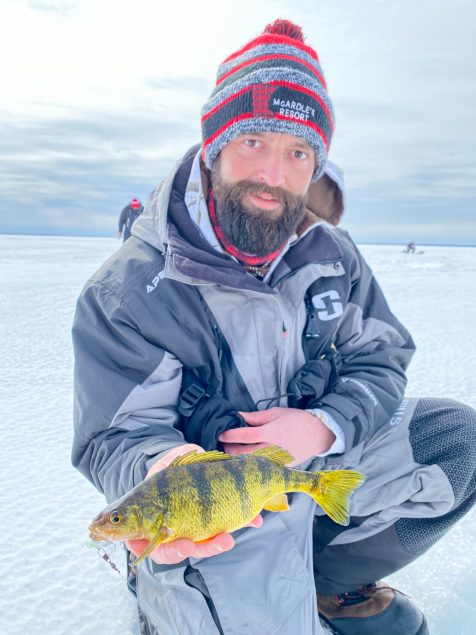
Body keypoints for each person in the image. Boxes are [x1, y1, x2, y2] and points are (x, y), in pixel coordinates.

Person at [72, 19, 476, 635]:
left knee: (458, 443)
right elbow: (116, 435)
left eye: (298, 152)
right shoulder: (127, 292)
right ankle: (166, 595)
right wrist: (163, 467)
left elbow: (382, 355)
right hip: (217, 508)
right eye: (255, 141)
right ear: (215, 146)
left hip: (303, 471)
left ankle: (325, 579)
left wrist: (324, 425)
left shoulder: (331, 253)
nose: (275, 173)